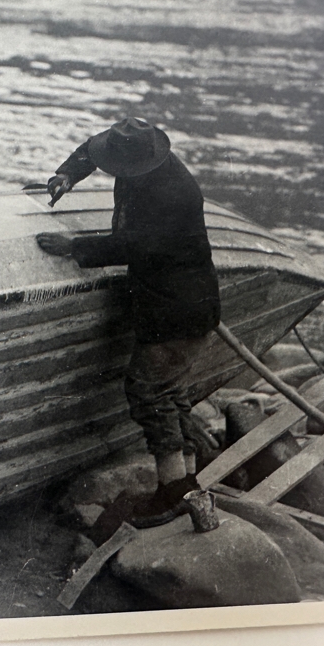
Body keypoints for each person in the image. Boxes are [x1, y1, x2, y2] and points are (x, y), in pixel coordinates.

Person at [36, 117, 221, 528]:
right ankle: (187, 483)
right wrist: (67, 174)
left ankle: (171, 491)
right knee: (171, 391)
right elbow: (92, 148)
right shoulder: (144, 156)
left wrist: (74, 247)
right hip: (191, 301)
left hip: (176, 308)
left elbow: (132, 245)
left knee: (149, 392)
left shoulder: (174, 194)